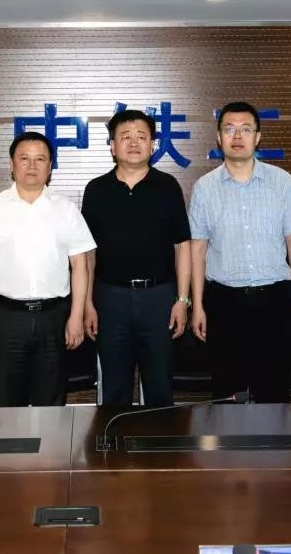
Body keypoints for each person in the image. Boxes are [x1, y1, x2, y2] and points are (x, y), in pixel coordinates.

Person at [189, 101, 291, 403]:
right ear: (219, 137)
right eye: (229, 129)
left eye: (245, 129)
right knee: (227, 393)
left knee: (275, 393)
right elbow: (198, 249)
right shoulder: (204, 188)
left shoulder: (281, 181)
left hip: (274, 299)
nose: (237, 136)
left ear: (258, 137)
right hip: (224, 302)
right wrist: (198, 305)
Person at [0, 131, 96, 406]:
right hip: (6, 318)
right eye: (24, 158)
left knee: (51, 401)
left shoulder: (66, 209)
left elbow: (80, 266)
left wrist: (76, 316)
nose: (32, 166)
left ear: (50, 166)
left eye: (40, 159)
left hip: (54, 317)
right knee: (7, 401)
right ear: (11, 164)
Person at [82, 109, 191, 407]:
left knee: (159, 387)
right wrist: (87, 303)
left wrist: (182, 300)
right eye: (125, 137)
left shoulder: (168, 187)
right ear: (112, 146)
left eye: (141, 137)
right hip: (110, 298)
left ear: (152, 145)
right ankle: (114, 439)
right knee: (114, 389)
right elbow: (87, 255)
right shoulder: (96, 190)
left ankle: (160, 439)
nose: (133, 143)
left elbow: (182, 246)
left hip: (159, 298)